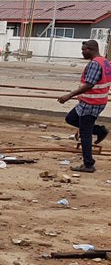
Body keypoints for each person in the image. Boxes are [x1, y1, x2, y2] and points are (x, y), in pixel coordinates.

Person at [57, 39, 110, 173]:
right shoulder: (105, 62)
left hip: (91, 103)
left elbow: (89, 85)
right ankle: (99, 130)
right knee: (71, 118)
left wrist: (68, 96)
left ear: (91, 49)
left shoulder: (94, 64)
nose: (82, 53)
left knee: (85, 134)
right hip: (92, 101)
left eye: (84, 50)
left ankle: (88, 164)